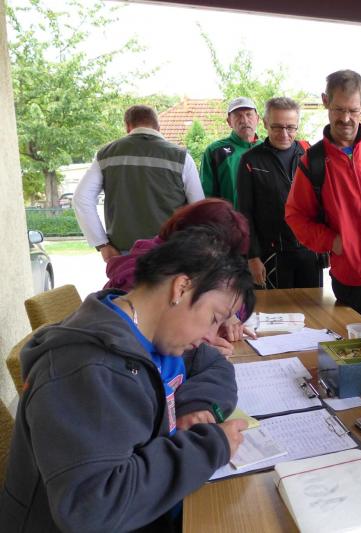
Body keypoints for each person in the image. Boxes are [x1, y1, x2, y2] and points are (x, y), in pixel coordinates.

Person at [0, 225, 252, 531]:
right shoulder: (85, 370)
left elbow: (214, 365)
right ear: (181, 288)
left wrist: (194, 406)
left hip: (160, 508)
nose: (212, 336)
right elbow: (93, 509)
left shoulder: (156, 335)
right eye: (214, 318)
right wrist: (210, 447)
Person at [285, 70, 361, 323]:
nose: (345, 118)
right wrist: (332, 241)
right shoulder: (314, 161)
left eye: (353, 110)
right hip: (353, 281)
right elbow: (295, 215)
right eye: (338, 109)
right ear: (325, 101)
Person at [104, 197, 255, 355]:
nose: (226, 269)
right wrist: (198, 353)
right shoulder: (151, 282)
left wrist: (224, 314)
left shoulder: (176, 274)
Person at [73, 104, 204, 261]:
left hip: (123, 254)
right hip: (170, 252)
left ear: (128, 126)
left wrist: (102, 244)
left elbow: (81, 198)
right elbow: (199, 208)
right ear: (158, 127)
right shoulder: (181, 157)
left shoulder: (106, 155)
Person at [237, 97, 321, 289]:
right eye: (277, 127)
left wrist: (325, 248)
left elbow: (323, 203)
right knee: (276, 308)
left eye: (290, 127)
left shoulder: (310, 154)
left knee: (312, 307)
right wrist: (252, 257)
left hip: (309, 252)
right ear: (265, 123)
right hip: (271, 255)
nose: (284, 134)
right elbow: (244, 212)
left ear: (297, 125)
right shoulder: (251, 160)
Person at [201, 97, 262, 208]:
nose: (244, 120)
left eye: (249, 114)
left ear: (257, 119)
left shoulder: (267, 149)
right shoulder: (215, 151)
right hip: (229, 217)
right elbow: (206, 193)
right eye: (238, 115)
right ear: (229, 122)